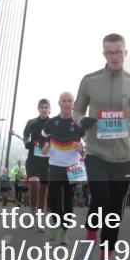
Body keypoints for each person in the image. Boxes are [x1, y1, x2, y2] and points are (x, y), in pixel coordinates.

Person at [73, 32, 130, 260]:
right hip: (96, 153)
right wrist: (80, 121)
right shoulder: (89, 81)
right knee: (101, 198)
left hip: (123, 158)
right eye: (109, 52)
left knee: (114, 212)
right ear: (103, 53)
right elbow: (77, 109)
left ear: (125, 53)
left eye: (118, 52)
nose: (114, 56)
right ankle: (87, 244)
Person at [42, 91, 85, 247]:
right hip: (55, 165)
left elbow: (87, 146)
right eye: (64, 101)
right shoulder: (51, 123)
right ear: (59, 103)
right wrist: (45, 148)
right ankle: (56, 223)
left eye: (70, 101)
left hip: (74, 167)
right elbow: (43, 138)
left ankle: (64, 233)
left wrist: (82, 149)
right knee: (53, 199)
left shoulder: (80, 124)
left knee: (68, 200)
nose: (67, 104)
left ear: (74, 104)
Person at [12, 99, 51, 224]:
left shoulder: (53, 123)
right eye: (42, 107)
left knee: (43, 191)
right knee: (34, 182)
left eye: (46, 107)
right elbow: (25, 134)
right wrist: (26, 143)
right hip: (33, 160)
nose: (44, 109)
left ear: (49, 109)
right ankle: (32, 210)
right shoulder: (31, 122)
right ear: (38, 109)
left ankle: (40, 218)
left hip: (48, 162)